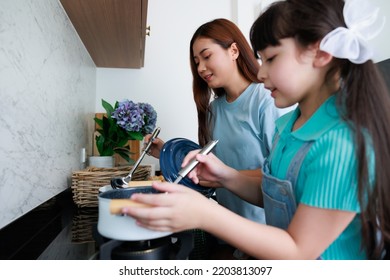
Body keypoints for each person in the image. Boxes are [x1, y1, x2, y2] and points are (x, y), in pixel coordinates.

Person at [124, 0, 390, 259]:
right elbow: (276, 192)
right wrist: (225, 176)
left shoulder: (343, 143)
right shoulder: (289, 125)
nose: (261, 73)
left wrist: (203, 212)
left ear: (320, 53)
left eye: (271, 58)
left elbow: (299, 251)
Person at [144, 18, 287, 256]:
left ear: (233, 50)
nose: (200, 68)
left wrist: (222, 176)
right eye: (196, 61)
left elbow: (279, 177)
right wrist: (166, 152)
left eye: (206, 56)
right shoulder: (214, 110)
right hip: (226, 234)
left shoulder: (266, 100)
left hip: (263, 235)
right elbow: (214, 166)